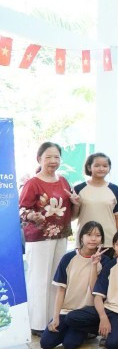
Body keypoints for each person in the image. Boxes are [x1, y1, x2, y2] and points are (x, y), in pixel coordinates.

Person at [19, 142, 77, 334]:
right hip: (38, 237)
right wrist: (31, 216)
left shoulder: (63, 180)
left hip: (61, 236)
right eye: (48, 157)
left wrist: (76, 203)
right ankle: (36, 324)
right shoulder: (32, 182)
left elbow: (71, 206)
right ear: (39, 159)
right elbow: (21, 210)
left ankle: (54, 320)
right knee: (39, 279)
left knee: (56, 279)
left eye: (56, 157)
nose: (53, 161)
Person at [63, 229, 118, 349]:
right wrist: (103, 318)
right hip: (109, 309)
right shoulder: (111, 265)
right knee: (71, 317)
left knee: (113, 345)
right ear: (113, 246)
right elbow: (98, 295)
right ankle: (104, 330)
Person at [41, 222, 112, 349]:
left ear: (102, 239)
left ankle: (88, 331)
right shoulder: (68, 258)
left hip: (86, 312)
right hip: (66, 310)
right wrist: (56, 317)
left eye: (97, 235)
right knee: (46, 343)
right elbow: (61, 290)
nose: (93, 239)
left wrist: (94, 264)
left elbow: (94, 290)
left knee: (70, 344)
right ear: (81, 237)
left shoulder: (105, 261)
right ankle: (72, 328)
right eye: (89, 235)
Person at [73, 153, 118, 246]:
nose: (101, 168)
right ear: (89, 167)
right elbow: (73, 216)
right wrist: (76, 204)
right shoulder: (78, 189)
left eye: (105, 166)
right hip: (85, 240)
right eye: (97, 165)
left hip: (109, 240)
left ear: (109, 168)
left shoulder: (115, 189)